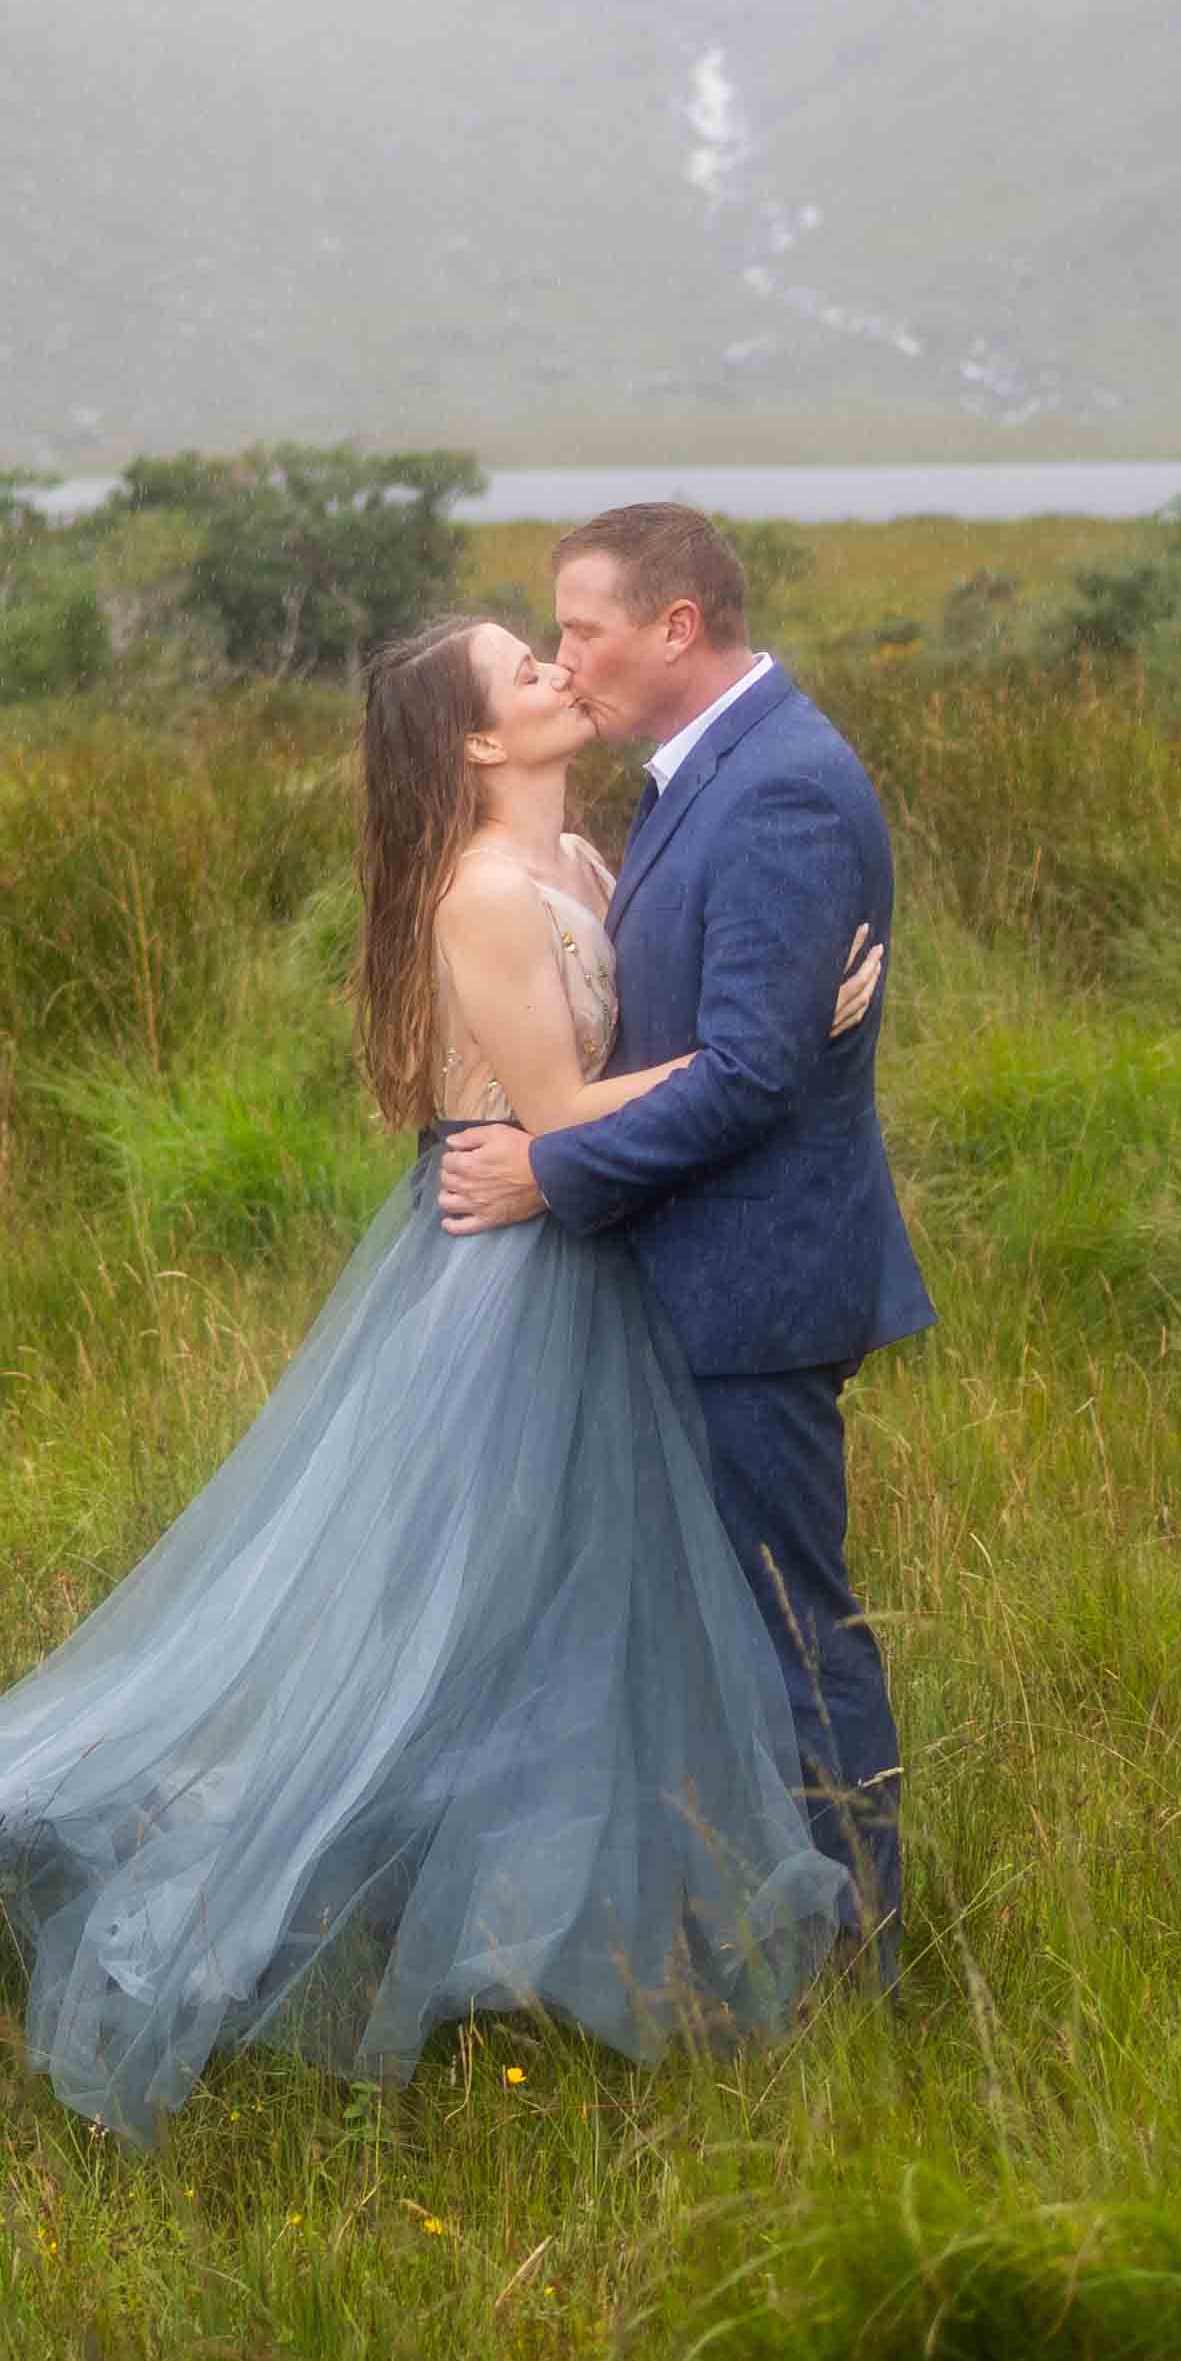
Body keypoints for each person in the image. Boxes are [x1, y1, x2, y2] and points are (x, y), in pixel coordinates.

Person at [0, 613, 886, 2146]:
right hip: (509, 1278)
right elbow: (551, 1117)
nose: (554, 671)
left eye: (551, 652)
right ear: (477, 744)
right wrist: (780, 1036)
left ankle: (572, 1930)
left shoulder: (588, 865)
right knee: (419, 1624)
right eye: (523, 671)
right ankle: (215, 1892)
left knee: (565, 1620)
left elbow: (615, 1074)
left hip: (593, 1269)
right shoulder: (480, 894)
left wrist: (737, 1037)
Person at [438, 502, 932, 1953]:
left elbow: (757, 1078)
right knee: (684, 1634)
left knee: (789, 1632)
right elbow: (721, 1047)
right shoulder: (695, 773)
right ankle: (700, 1933)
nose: (563, 657)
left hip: (752, 1292)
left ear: (674, 627)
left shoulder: (775, 785)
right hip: (678, 1277)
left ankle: (861, 1960)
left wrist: (552, 1172)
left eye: (580, 629)